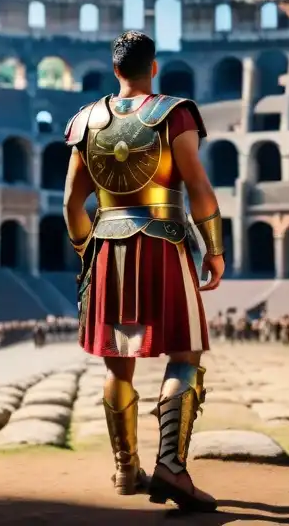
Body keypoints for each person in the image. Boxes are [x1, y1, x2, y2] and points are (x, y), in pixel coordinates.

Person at [63, 30, 225, 513]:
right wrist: (213, 249)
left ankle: (126, 468)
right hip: (165, 244)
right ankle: (171, 468)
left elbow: (73, 202)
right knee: (185, 353)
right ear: (153, 68)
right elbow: (197, 184)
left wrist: (86, 251)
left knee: (119, 361)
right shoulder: (175, 113)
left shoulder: (86, 121)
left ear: (115, 71)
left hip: (108, 248)